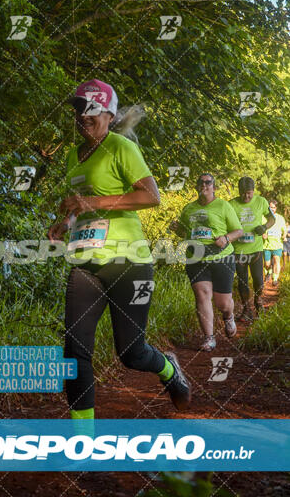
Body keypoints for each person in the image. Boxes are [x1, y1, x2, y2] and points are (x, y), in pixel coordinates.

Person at [48, 79, 191, 421]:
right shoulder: (72, 154)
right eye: (79, 109)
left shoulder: (121, 148)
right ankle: (83, 443)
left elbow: (151, 196)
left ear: (109, 115)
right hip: (85, 262)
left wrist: (91, 201)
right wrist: (65, 224)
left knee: (131, 352)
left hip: (128, 262)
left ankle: (169, 370)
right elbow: (81, 207)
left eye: (92, 109)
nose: (83, 115)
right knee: (75, 350)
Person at [170, 173, 243, 351]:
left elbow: (238, 231)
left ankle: (229, 316)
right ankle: (209, 338)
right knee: (202, 295)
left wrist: (226, 238)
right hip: (196, 258)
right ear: (196, 186)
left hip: (221, 257)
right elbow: (185, 233)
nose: (204, 185)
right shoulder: (188, 209)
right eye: (201, 182)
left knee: (222, 303)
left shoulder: (223, 206)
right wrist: (177, 229)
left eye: (208, 182)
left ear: (214, 187)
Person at [229, 177, 275, 321]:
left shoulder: (261, 201)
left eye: (249, 193)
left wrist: (264, 227)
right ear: (239, 191)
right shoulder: (231, 204)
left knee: (258, 281)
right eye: (243, 193)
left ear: (253, 191)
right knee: (242, 282)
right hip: (238, 251)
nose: (246, 196)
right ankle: (246, 310)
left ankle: (258, 301)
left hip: (256, 250)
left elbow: (271, 219)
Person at [262, 200, 287, 286]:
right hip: (266, 245)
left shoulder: (280, 218)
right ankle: (268, 272)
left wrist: (284, 235)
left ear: (276, 208)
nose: (271, 209)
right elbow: (259, 229)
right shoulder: (263, 217)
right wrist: (262, 234)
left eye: (273, 207)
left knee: (277, 260)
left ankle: (275, 278)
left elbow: (285, 230)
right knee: (267, 264)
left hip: (277, 245)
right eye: (270, 207)